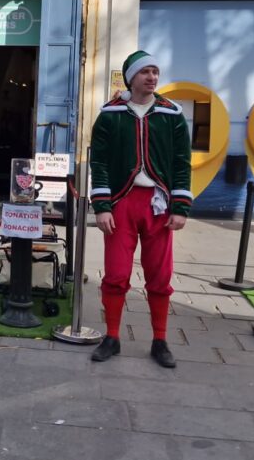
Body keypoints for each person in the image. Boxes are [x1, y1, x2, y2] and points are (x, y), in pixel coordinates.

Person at [89, 50, 193, 368]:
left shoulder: (172, 114)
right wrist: (102, 207)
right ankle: (112, 336)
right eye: (145, 72)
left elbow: (181, 163)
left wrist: (180, 207)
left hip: (158, 205)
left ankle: (160, 341)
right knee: (116, 274)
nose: (152, 77)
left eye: (155, 72)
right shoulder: (110, 114)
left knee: (160, 276)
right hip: (121, 202)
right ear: (131, 77)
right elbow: (100, 162)